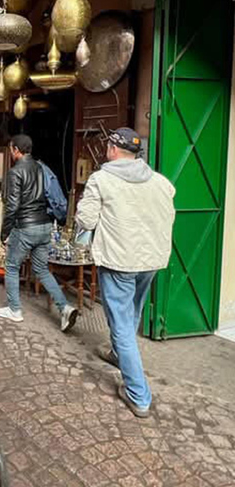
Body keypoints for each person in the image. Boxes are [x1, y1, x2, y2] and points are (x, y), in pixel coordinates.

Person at [76, 127, 175, 418]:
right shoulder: (160, 181)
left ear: (112, 149)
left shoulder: (101, 179)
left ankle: (138, 394)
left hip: (120, 260)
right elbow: (170, 208)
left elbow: (86, 218)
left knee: (120, 323)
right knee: (132, 311)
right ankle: (120, 355)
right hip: (152, 259)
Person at [0, 134, 78, 332]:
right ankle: (64, 307)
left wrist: (4, 232)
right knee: (41, 269)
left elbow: (12, 206)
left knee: (12, 266)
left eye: (10, 149)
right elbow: (51, 195)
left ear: (15, 149)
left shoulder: (15, 173)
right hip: (44, 225)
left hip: (25, 226)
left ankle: (14, 310)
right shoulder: (42, 168)